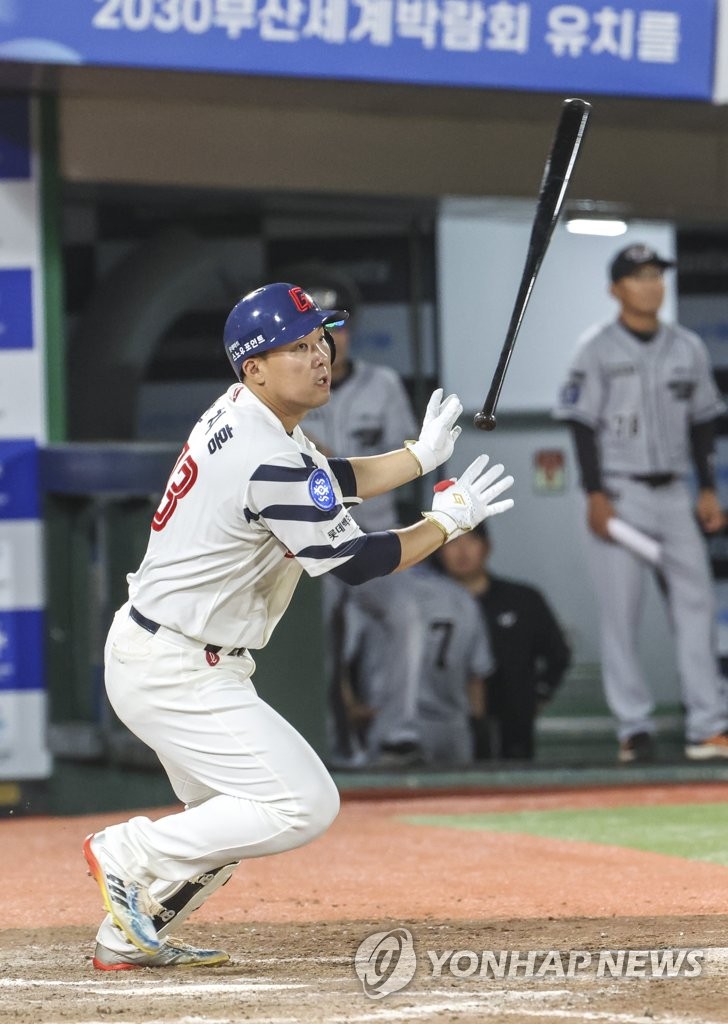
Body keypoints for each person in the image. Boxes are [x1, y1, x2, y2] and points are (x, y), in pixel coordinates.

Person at [82, 280, 515, 970]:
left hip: (172, 653)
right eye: (298, 346)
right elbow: (355, 560)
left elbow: (327, 479)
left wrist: (417, 459)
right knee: (302, 804)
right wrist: (446, 521)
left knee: (224, 826)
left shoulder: (254, 420)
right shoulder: (263, 454)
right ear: (254, 367)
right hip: (176, 667)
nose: (321, 356)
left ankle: (125, 935)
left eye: (321, 339)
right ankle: (126, 852)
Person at [554, 242, 728, 764]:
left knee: (696, 606)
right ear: (615, 289)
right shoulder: (596, 348)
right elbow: (580, 425)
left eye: (657, 274)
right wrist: (595, 496)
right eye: (639, 275)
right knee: (621, 615)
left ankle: (708, 726)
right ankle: (634, 728)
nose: (652, 283)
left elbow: (702, 420)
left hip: (674, 490)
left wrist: (707, 488)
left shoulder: (687, 347)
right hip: (621, 492)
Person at [273, 262, 426, 767]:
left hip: (373, 529)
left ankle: (397, 736)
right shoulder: (282, 393)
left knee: (407, 617)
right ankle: (324, 746)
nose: (326, 342)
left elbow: (404, 467)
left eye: (335, 328)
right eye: (313, 333)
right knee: (316, 640)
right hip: (309, 542)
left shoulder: (382, 385)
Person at [437, 523, 571, 761]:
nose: (462, 552)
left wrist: (538, 695)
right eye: (453, 543)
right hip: (447, 719)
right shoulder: (426, 607)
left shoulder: (523, 599)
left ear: (486, 547)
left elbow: (558, 654)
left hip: (513, 719)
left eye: (470, 541)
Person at [410, 561, 494, 766]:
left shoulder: (376, 592)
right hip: (453, 723)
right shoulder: (460, 596)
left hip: (395, 722)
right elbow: (476, 675)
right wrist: (479, 725)